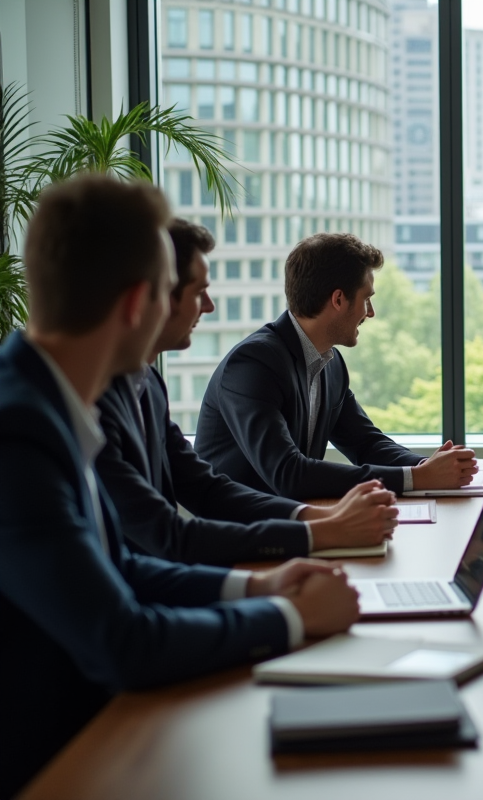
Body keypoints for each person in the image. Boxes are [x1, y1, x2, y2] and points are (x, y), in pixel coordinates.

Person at [0, 176, 359, 798]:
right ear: (141, 303)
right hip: (61, 762)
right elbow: (123, 641)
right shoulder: (18, 434)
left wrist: (259, 583)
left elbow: (122, 568)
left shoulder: (46, 404)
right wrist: (289, 618)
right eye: (181, 291)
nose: (200, 307)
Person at [95, 219, 400, 565]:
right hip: (201, 569)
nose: (209, 306)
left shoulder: (147, 384)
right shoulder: (253, 361)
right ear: (147, 298)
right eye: (198, 291)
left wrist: (322, 521)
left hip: (191, 570)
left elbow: (208, 490)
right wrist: (323, 531)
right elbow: (169, 536)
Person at [194, 233, 477, 499]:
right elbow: (287, 473)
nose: (371, 312)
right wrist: (416, 478)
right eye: (367, 298)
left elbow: (366, 444)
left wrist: (430, 466)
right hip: (244, 539)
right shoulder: (254, 363)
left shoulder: (330, 363)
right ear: (338, 299)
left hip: (297, 523)